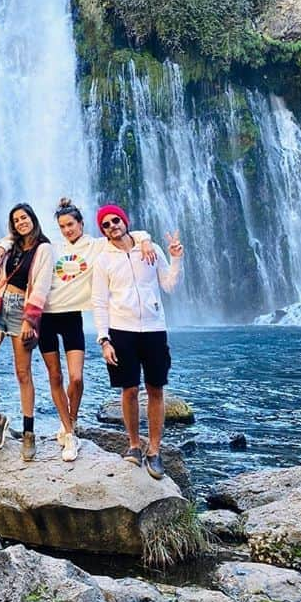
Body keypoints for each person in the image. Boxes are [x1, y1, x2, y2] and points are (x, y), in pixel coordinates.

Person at [0, 199, 156, 462]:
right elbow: (17, 238)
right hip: (45, 317)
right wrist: (2, 245)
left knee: (76, 378)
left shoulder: (95, 245)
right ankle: (69, 432)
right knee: (55, 376)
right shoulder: (49, 246)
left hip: (72, 317)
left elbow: (126, 233)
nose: (67, 229)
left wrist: (146, 240)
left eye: (71, 224)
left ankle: (71, 419)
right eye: (62, 226)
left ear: (81, 223)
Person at [91, 203, 184, 480]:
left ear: (125, 220)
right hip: (121, 330)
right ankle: (133, 445)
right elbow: (99, 302)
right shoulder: (103, 260)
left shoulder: (149, 248)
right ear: (103, 231)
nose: (112, 226)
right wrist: (104, 340)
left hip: (154, 328)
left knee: (155, 389)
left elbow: (169, 285)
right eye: (106, 224)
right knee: (129, 390)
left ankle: (154, 450)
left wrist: (176, 258)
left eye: (115, 220)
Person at [0, 203, 53, 462]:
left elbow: (42, 285)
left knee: (23, 373)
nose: (21, 222)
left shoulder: (44, 248)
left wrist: (30, 321)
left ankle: (29, 433)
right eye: (16, 220)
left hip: (23, 309)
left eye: (25, 217)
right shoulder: (12, 246)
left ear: (33, 218)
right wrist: (3, 245)